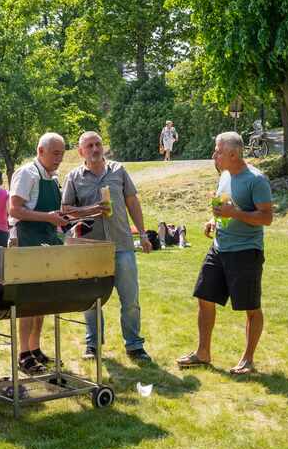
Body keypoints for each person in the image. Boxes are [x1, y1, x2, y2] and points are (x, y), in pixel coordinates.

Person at [176, 132, 273, 375]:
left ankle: (248, 360)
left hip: (245, 251)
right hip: (219, 247)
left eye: (218, 151)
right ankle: (203, 353)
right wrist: (213, 219)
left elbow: (266, 217)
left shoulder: (256, 180)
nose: (214, 155)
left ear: (233, 154)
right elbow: (224, 207)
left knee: (250, 306)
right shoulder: (225, 175)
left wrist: (234, 214)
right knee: (205, 298)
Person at [61, 131, 153, 362]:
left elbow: (132, 201)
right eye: (89, 146)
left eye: (98, 144)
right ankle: (93, 344)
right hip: (90, 248)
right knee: (91, 300)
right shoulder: (74, 177)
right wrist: (92, 209)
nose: (95, 149)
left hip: (121, 244)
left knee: (130, 299)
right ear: (81, 151)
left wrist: (142, 234)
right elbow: (66, 210)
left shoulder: (118, 171)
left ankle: (134, 345)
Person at [9, 133, 70, 374]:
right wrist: (48, 217)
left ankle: (35, 348)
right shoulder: (27, 173)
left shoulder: (53, 178)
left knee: (42, 300)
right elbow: (14, 209)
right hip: (27, 240)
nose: (59, 159)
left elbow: (52, 212)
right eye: (55, 154)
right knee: (28, 301)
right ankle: (23, 353)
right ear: (40, 150)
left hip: (47, 240)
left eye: (62, 155)